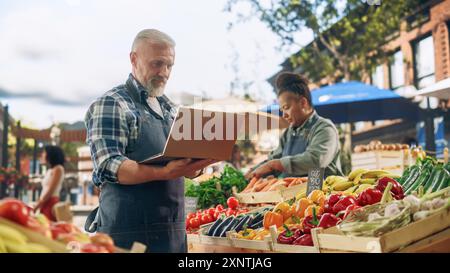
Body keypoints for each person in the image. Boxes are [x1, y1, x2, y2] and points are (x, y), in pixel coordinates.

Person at [84, 29, 215, 253]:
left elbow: (184, 165)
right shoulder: (111, 104)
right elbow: (110, 165)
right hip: (126, 236)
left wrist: (199, 163)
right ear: (134, 59)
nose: (163, 72)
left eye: (169, 65)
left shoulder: (171, 109)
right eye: (157, 63)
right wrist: (165, 172)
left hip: (172, 235)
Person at [245, 72, 343, 179]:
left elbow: (316, 160)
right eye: (282, 110)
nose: (284, 115)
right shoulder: (288, 133)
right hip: (292, 193)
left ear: (303, 103)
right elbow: (273, 159)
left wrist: (274, 165)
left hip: (322, 191)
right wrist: (252, 172)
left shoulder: (324, 128)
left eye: (286, 108)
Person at [34, 145, 65, 221]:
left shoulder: (58, 169)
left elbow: (50, 191)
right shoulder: (51, 170)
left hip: (51, 203)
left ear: (51, 154)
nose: (42, 155)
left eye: (44, 152)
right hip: (45, 202)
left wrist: (37, 206)